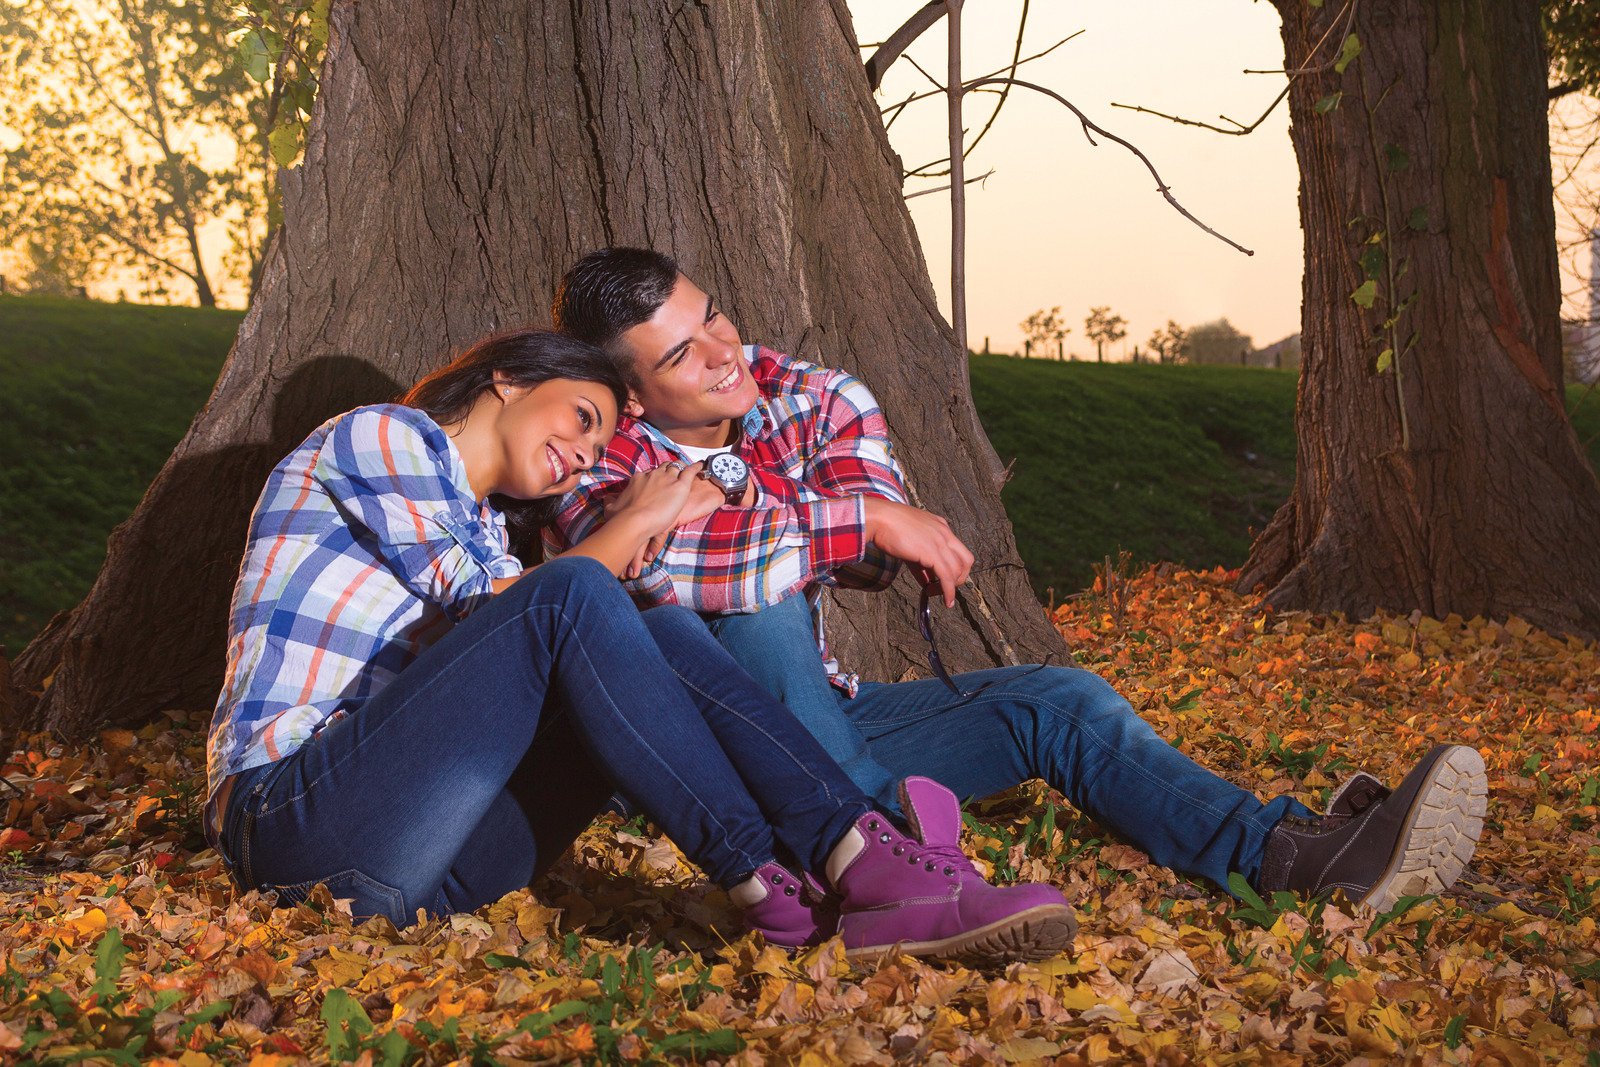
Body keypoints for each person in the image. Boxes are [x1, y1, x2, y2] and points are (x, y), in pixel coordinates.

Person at [547, 247, 1490, 923]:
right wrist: (852, 524)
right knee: (750, 600)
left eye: (711, 314)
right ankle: (880, 867)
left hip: (834, 719)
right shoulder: (590, 452)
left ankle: (1289, 857)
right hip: (711, 772)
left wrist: (841, 525)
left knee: (1058, 701)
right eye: (680, 354)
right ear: (629, 394)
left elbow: (874, 543)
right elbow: (678, 573)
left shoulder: (814, 396)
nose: (722, 350)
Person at [202, 327, 1079, 965]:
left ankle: (843, 858)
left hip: (424, 873)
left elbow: (544, 622)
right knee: (587, 594)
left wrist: (638, 552)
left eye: (596, 445)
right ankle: (779, 870)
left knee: (646, 625)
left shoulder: (487, 534)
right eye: (582, 417)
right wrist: (640, 519)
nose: (583, 455)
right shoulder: (380, 436)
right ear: (507, 379)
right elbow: (511, 605)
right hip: (292, 823)